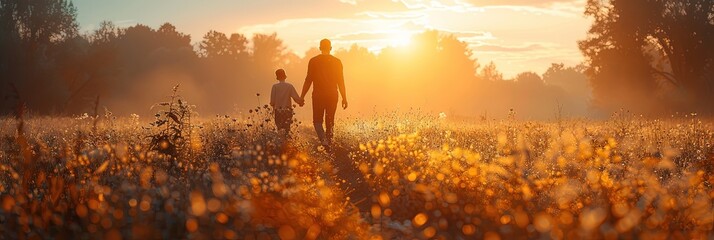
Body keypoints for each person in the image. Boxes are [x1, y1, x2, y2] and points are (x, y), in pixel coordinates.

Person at [300, 39, 347, 148]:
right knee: (330, 121)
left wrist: (302, 96)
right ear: (330, 48)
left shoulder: (313, 61)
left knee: (317, 121)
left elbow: (308, 80)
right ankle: (329, 144)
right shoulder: (337, 62)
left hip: (318, 95)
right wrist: (344, 98)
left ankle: (324, 141)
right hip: (332, 95)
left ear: (320, 48)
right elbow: (341, 81)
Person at [270, 69, 304, 136]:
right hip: (287, 111)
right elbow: (296, 98)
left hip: (278, 111)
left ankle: (280, 144)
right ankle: (287, 143)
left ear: (277, 77)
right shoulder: (289, 86)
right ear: (285, 76)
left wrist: (273, 108)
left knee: (279, 129)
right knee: (287, 129)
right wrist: (301, 102)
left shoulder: (275, 87)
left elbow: (272, 102)